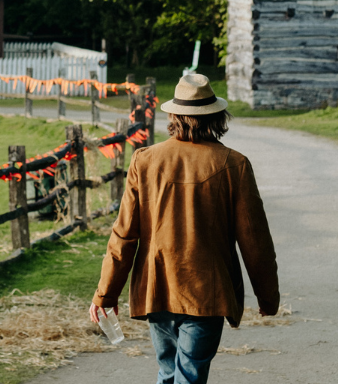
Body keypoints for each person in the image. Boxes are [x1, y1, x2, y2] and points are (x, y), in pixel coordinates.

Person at [89, 73, 279, 384]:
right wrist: (267, 296)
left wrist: (105, 294)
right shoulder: (234, 164)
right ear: (216, 115)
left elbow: (124, 235)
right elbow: (255, 240)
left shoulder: (145, 160)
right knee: (188, 376)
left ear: (174, 115)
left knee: (169, 373)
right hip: (207, 292)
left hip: (158, 288)